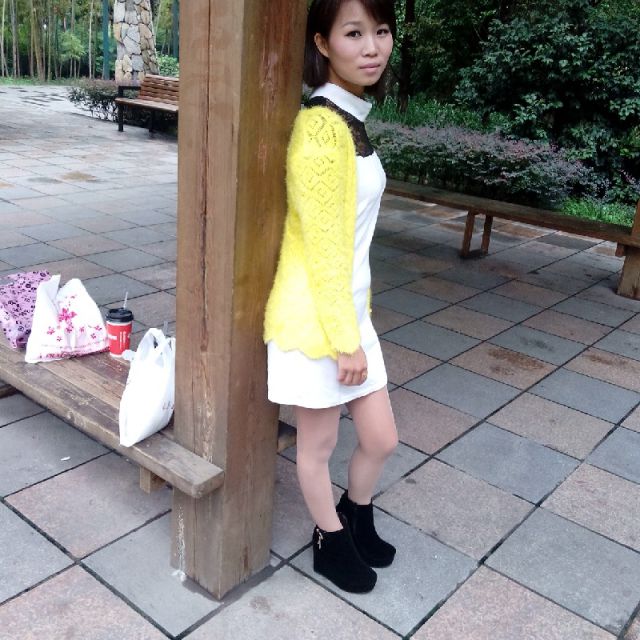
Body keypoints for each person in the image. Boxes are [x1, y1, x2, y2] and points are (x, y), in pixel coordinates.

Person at [264, 0, 398, 594]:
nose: (372, 47)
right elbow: (322, 249)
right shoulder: (320, 127)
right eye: (354, 33)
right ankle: (330, 538)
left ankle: (356, 514)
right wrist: (346, 340)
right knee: (318, 445)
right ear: (322, 43)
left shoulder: (351, 118)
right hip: (314, 319)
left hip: (349, 313)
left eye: (381, 31)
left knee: (381, 438)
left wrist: (355, 326)